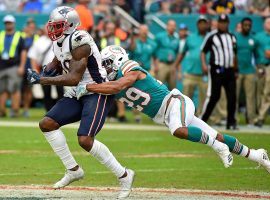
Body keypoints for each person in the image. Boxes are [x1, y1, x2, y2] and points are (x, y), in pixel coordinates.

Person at [77, 45, 270, 174]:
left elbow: (118, 87)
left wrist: (87, 87)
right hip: (167, 113)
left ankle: (216, 146)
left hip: (175, 102)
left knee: (178, 130)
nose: (106, 68)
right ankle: (256, 154)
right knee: (216, 135)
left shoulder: (129, 67)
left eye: (107, 63)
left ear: (118, 59)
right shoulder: (111, 81)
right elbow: (105, 93)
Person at [27, 7, 134, 199]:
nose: (53, 30)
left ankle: (124, 175)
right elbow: (59, 61)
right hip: (78, 92)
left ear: (70, 25)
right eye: (52, 26)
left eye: (58, 26)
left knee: (85, 139)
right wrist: (46, 70)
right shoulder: (60, 41)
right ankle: (73, 169)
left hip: (96, 90)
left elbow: (74, 77)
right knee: (47, 124)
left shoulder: (80, 40)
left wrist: (43, 80)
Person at [200, 14, 238, 130]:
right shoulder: (212, 36)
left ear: (228, 23)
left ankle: (231, 122)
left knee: (232, 97)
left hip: (230, 70)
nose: (223, 24)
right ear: (218, 23)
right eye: (221, 22)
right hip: (216, 70)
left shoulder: (232, 37)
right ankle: (203, 121)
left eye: (225, 22)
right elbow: (203, 51)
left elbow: (235, 54)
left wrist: (236, 70)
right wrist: (204, 65)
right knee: (213, 96)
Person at [174, 16, 208, 115]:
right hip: (190, 72)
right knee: (186, 97)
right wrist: (176, 65)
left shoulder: (210, 37)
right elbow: (182, 52)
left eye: (204, 23)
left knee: (204, 98)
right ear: (197, 25)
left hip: (204, 74)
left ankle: (202, 118)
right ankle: (185, 116)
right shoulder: (190, 38)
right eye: (200, 23)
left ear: (207, 25)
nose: (202, 25)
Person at [28, 26, 64, 111]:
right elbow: (33, 56)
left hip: (59, 69)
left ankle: (61, 110)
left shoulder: (60, 39)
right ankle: (49, 111)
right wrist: (35, 69)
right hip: (45, 70)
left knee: (60, 91)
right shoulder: (39, 41)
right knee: (46, 91)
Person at [0, 15, 27, 117]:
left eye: (10, 23)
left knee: (14, 89)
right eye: (6, 23)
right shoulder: (1, 35)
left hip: (14, 66)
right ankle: (2, 111)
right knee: (1, 90)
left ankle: (15, 111)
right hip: (1, 66)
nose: (8, 24)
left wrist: (21, 66)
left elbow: (23, 52)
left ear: (14, 24)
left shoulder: (19, 36)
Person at [235, 17, 257, 126]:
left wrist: (258, 68)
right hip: (237, 71)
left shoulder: (253, 39)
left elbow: (257, 55)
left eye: (249, 25)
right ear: (241, 25)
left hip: (250, 71)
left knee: (250, 96)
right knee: (235, 96)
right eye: (245, 25)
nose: (247, 27)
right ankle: (234, 119)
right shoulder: (235, 37)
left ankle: (251, 120)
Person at [20, 18, 39, 117]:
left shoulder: (36, 38)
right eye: (29, 26)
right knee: (20, 89)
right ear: (26, 27)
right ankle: (18, 108)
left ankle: (26, 109)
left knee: (28, 89)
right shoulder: (21, 37)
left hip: (31, 67)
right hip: (21, 66)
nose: (31, 28)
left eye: (32, 27)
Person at [254, 17, 270, 127]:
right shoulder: (258, 37)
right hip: (259, 66)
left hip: (269, 66)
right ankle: (258, 116)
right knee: (259, 92)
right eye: (268, 22)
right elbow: (252, 51)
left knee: (267, 92)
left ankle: (260, 117)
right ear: (264, 24)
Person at [154, 20, 179, 90]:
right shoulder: (160, 36)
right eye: (171, 25)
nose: (172, 27)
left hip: (172, 65)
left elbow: (177, 54)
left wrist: (177, 68)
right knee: (158, 86)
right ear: (167, 26)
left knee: (173, 88)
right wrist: (156, 65)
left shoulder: (176, 39)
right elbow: (154, 51)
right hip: (162, 64)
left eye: (174, 26)